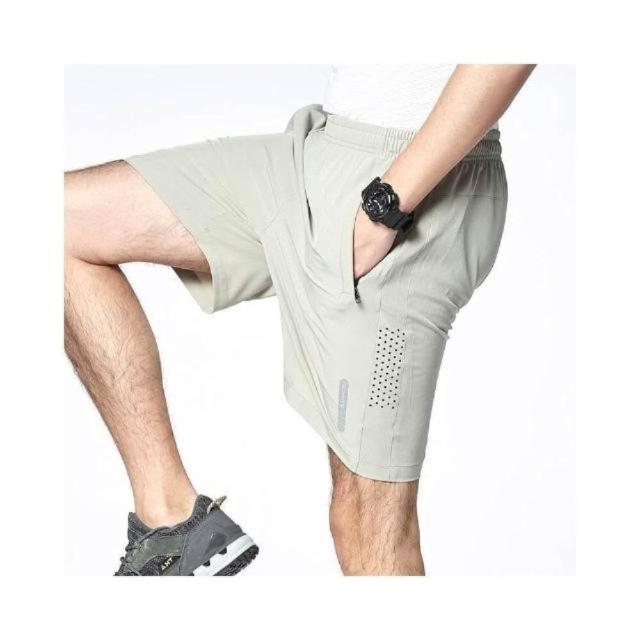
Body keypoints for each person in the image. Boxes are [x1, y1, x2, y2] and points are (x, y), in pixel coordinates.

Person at [64, 64, 535, 576]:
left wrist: (387, 205)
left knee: (368, 520)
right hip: (317, 152)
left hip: (411, 182)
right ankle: (171, 523)